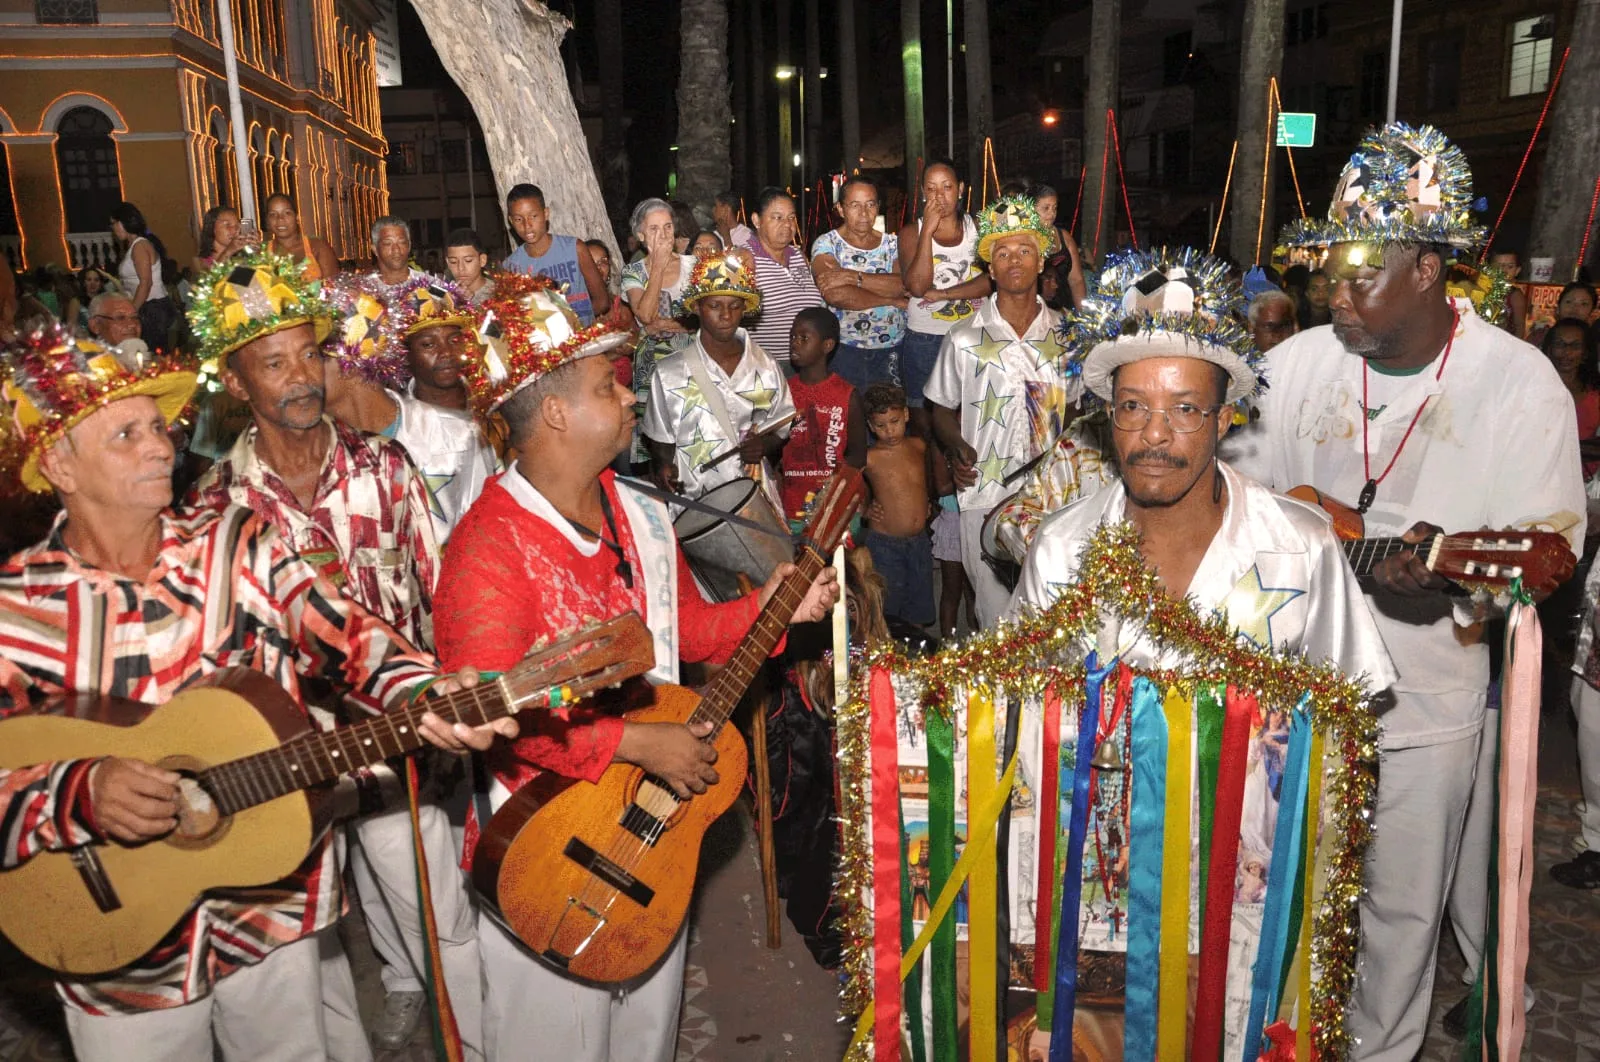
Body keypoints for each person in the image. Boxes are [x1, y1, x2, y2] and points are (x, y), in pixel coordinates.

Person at [0, 324, 510, 1062]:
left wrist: (425, 691)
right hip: (113, 942)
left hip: (265, 903)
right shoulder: (17, 611)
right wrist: (80, 790)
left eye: (157, 427)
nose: (159, 447)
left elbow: (350, 636)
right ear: (59, 465)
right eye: (125, 435)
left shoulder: (235, 542)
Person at [1237, 123, 1585, 1061]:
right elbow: (1243, 503)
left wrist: (1445, 585)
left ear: (1430, 269)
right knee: (1278, 894)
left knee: (1397, 916)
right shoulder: (1298, 364)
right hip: (1286, 689)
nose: (1336, 297)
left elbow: (1545, 545)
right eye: (1330, 276)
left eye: (1362, 277)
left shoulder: (1518, 387)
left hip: (1427, 699)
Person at [432, 269, 838, 1062]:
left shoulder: (638, 510)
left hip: (653, 833)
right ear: (554, 412)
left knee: (646, 1038)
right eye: (607, 386)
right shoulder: (486, 548)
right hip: (551, 848)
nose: (628, 398)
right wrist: (635, 745)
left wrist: (775, 606)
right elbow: (487, 715)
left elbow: (685, 633)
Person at [1009, 246, 1396, 1061]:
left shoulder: (1299, 546)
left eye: (1185, 410)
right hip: (1102, 899)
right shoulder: (1061, 548)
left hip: (1250, 901)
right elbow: (1022, 742)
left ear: (1225, 420)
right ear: (1105, 415)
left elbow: (1350, 719)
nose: (1155, 436)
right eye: (1133, 407)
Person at [184, 252, 488, 1056]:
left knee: (435, 914)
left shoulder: (385, 468)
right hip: (282, 760)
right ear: (238, 382)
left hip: (395, 742)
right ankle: (382, 999)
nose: (301, 378)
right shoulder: (218, 509)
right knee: (302, 950)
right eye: (273, 363)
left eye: (310, 354)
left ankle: (475, 1039)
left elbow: (442, 588)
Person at [924, 195, 1069, 627]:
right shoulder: (964, 336)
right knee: (995, 618)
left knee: (1053, 616)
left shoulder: (1069, 335)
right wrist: (954, 447)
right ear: (990, 269)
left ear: (1041, 262)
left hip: (1054, 498)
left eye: (1025, 250)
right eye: (1002, 254)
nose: (1014, 261)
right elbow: (939, 407)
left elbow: (1078, 412)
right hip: (983, 494)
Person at [322, 274, 499, 542]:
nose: (297, 375)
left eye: (310, 356)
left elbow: (489, 541)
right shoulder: (316, 454)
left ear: (353, 364)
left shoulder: (456, 438)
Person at [644, 250, 795, 506]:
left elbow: (780, 428)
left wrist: (764, 446)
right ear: (698, 308)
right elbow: (660, 442)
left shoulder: (766, 366)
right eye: (715, 306)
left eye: (735, 306)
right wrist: (663, 469)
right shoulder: (669, 373)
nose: (726, 315)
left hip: (755, 499)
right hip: (694, 503)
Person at [899, 160, 990, 420]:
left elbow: (992, 280)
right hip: (925, 338)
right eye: (931, 189)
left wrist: (944, 294)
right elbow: (917, 286)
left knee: (972, 416)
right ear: (923, 193)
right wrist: (927, 230)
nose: (939, 196)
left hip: (975, 334)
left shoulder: (980, 229)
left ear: (960, 189)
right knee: (925, 420)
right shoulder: (910, 233)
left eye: (947, 187)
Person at [810, 174, 908, 392]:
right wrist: (890, 299)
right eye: (855, 205)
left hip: (892, 349)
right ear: (841, 209)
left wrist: (852, 277)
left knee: (888, 421)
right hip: (845, 351)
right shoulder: (827, 244)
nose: (864, 213)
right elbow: (835, 295)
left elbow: (903, 284)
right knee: (848, 419)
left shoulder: (893, 244)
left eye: (870, 204)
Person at [780, 305, 868, 522]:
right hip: (791, 503)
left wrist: (834, 486)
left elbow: (858, 455)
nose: (794, 343)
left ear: (827, 345)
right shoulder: (783, 391)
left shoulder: (847, 395)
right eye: (792, 336)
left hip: (832, 506)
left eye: (803, 338)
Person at [861, 382, 936, 627]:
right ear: (871, 426)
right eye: (881, 426)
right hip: (885, 545)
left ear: (905, 414)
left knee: (919, 606)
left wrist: (930, 503)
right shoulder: (870, 457)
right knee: (887, 609)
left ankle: (914, 655)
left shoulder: (918, 446)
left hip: (920, 542)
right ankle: (887, 659)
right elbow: (846, 485)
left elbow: (927, 479)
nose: (890, 431)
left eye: (894, 421)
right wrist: (863, 509)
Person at [740, 186, 826, 371]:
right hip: (766, 366)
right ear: (756, 220)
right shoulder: (745, 258)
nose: (787, 225)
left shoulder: (798, 255)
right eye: (777, 217)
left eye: (791, 217)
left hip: (806, 365)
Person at [501, 183, 610, 325]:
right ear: (510, 221)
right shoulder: (511, 266)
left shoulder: (575, 248)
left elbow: (602, 301)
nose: (527, 225)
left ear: (545, 213)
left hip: (583, 340)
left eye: (533, 216)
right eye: (518, 219)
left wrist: (577, 325)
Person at [110, 201, 177, 350]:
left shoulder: (139, 246)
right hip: (148, 307)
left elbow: (146, 282)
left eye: (114, 223)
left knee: (153, 355)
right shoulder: (134, 246)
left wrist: (132, 312)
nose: (113, 228)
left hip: (152, 308)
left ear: (123, 222)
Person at [1541, 317, 1600, 477]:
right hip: (1539, 476)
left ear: (1586, 352)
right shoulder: (1534, 387)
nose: (1567, 352)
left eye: (1575, 346)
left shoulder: (1595, 393)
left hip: (1585, 480)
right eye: (1560, 344)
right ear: (1549, 349)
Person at [1031, 183, 1089, 308]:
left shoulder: (1064, 237)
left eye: (1054, 208)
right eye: (1046, 208)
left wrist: (1083, 317)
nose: (1052, 214)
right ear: (1031, 210)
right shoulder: (1023, 240)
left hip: (1063, 309)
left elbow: (1076, 280)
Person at [263, 194, 339, 282]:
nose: (280, 219)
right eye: (273, 214)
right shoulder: (261, 252)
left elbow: (334, 288)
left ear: (297, 218)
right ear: (268, 221)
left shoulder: (318, 246)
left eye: (287, 213)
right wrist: (243, 253)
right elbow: (246, 287)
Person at [369, 215, 428, 298]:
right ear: (375, 249)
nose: (396, 250)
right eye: (388, 243)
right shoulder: (365, 290)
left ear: (409, 246)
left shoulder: (429, 286)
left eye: (402, 242)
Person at [194, 205, 256, 275]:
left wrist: (256, 251)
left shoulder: (239, 260)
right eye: (227, 224)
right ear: (211, 228)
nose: (234, 230)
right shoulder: (200, 262)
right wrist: (228, 251)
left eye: (236, 225)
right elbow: (211, 281)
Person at [444, 227, 497, 306]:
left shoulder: (497, 295)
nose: (461, 268)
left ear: (482, 260)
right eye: (453, 262)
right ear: (448, 263)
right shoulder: (445, 296)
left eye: (468, 260)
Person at [1486, 249, 1529, 337]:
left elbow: (1520, 326)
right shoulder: (1483, 290)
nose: (1505, 271)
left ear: (1517, 270)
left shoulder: (1515, 295)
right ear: (1489, 269)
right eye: (1499, 266)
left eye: (1510, 267)